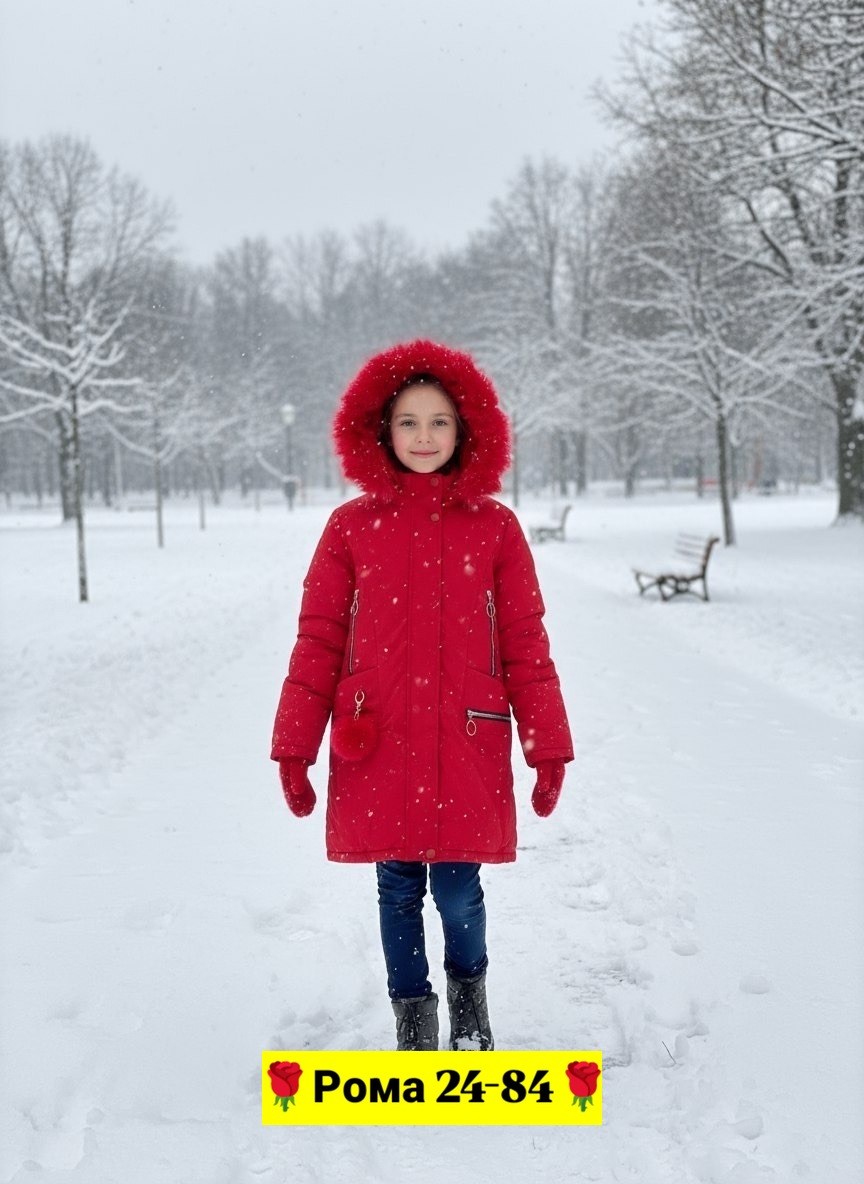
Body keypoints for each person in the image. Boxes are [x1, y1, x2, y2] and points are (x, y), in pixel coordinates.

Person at [270, 339, 574, 1052]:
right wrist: (294, 747)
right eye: (408, 421)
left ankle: (470, 1015)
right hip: (380, 740)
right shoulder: (350, 527)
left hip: (466, 739)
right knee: (398, 888)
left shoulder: (495, 528)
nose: (425, 436)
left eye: (440, 421)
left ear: (466, 430)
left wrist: (548, 748)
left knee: (460, 888)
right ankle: (414, 1022)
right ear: (381, 429)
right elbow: (318, 640)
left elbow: (525, 642)